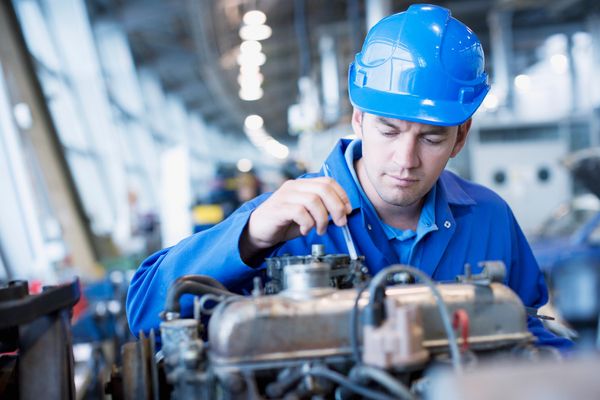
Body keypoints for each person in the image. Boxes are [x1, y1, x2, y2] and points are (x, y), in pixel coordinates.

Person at [127, 4, 571, 349]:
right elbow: (145, 311)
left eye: (432, 139)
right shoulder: (288, 221)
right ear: (358, 118)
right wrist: (251, 236)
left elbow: (526, 329)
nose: (405, 159)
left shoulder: (490, 218)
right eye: (388, 130)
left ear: (460, 138)